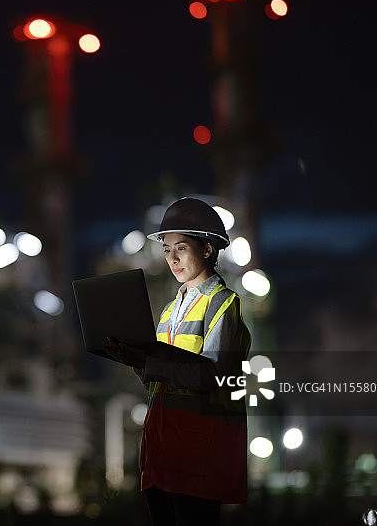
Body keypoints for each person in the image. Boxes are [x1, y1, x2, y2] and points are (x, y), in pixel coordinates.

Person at [104, 197, 251, 526]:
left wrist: (147, 361)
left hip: (200, 452)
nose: (172, 258)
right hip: (162, 450)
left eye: (181, 248)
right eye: (167, 249)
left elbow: (213, 377)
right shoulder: (170, 311)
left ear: (208, 249)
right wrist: (133, 359)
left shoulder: (222, 304)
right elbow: (157, 379)